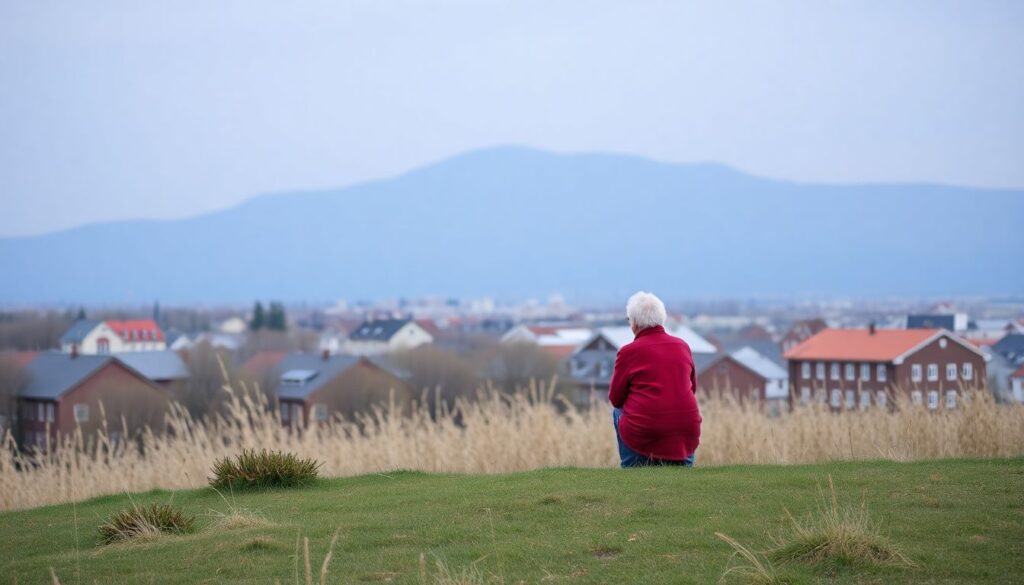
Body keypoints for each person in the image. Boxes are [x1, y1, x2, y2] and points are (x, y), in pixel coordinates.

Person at [609, 291, 702, 467]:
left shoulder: (628, 352)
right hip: (685, 431)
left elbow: (616, 399)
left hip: (644, 432)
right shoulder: (682, 346)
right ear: (662, 319)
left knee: (617, 413)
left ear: (634, 323)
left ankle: (633, 466)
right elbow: (692, 388)